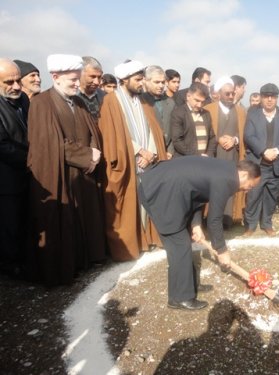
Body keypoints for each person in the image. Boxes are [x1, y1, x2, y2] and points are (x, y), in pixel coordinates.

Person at [138, 156, 261, 310]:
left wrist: (196, 225)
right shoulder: (227, 179)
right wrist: (222, 250)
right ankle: (180, 298)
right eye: (250, 185)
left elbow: (197, 194)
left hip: (168, 189)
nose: (248, 189)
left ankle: (189, 285)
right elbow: (214, 219)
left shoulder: (225, 170)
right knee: (180, 245)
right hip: (159, 191)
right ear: (243, 175)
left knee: (181, 245)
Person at [27, 54, 106, 285]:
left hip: (83, 173)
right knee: (64, 221)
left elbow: (93, 132)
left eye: (77, 78)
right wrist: (87, 156)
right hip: (61, 175)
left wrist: (94, 151)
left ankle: (85, 259)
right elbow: (48, 144)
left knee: (84, 218)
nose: (76, 83)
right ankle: (65, 268)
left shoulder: (79, 102)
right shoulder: (41, 103)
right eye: (72, 79)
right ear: (55, 77)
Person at [98, 59, 168, 261]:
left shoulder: (144, 100)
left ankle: (149, 238)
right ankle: (135, 243)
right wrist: (138, 152)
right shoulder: (111, 101)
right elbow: (113, 135)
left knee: (150, 201)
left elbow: (153, 130)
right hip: (128, 160)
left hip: (149, 161)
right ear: (124, 79)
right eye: (138, 79)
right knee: (130, 204)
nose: (141, 83)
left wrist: (151, 154)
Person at [243, 83, 279, 237]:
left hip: (276, 165)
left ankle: (266, 223)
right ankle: (250, 225)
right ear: (262, 98)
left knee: (271, 197)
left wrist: (277, 151)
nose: (270, 100)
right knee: (253, 196)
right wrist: (264, 151)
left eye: (273, 97)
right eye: (266, 97)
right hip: (258, 165)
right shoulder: (253, 115)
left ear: (277, 98)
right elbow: (249, 136)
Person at [0, 58, 30, 276]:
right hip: (6, 180)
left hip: (28, 175)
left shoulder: (24, 100)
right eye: (9, 82)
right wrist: (33, 160)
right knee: (9, 225)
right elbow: (2, 146)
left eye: (18, 80)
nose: (17, 86)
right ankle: (11, 266)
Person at [204, 76, 246, 226]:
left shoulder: (241, 112)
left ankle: (227, 219)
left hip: (232, 156)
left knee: (230, 186)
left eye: (232, 93)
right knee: (213, 187)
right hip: (214, 156)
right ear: (219, 93)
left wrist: (234, 140)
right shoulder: (208, 109)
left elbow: (243, 135)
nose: (230, 96)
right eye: (227, 93)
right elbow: (205, 132)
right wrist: (218, 139)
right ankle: (209, 219)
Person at [171, 82, 216, 157]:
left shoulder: (206, 114)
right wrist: (196, 156)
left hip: (204, 160)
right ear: (188, 96)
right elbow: (177, 141)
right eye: (197, 100)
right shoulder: (178, 113)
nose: (199, 105)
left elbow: (212, 137)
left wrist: (208, 155)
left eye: (202, 102)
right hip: (186, 160)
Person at [141, 65, 174, 157]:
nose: (161, 85)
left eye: (163, 82)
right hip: (148, 155)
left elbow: (175, 129)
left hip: (168, 154)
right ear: (146, 81)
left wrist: (170, 151)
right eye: (156, 82)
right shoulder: (140, 102)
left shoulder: (171, 102)